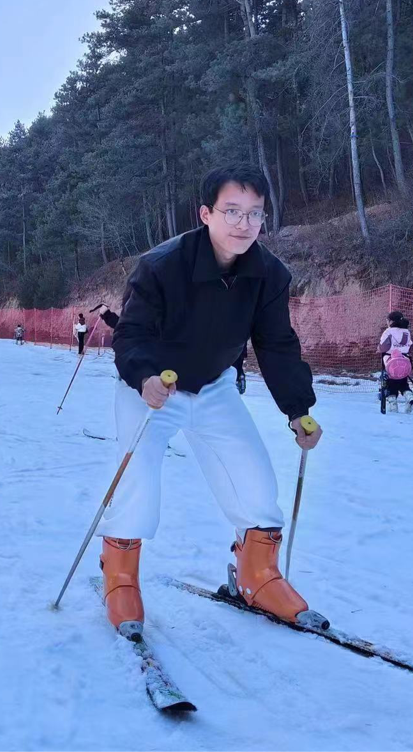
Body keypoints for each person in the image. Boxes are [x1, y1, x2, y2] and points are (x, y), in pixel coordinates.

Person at [103, 163, 323, 640]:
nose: (243, 224)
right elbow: (131, 333)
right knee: (139, 479)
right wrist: (143, 378)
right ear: (206, 213)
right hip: (153, 389)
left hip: (215, 385)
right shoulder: (162, 265)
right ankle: (120, 576)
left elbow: (277, 343)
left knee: (255, 479)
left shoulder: (268, 273)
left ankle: (258, 574)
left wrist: (297, 409)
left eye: (254, 214)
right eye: (231, 211)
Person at [378, 311, 413, 413]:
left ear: (391, 321)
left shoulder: (388, 331)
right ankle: (409, 396)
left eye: (387, 320)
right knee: (403, 383)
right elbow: (410, 346)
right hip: (404, 361)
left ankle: (393, 404)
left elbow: (383, 346)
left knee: (390, 384)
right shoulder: (406, 332)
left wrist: (379, 348)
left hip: (390, 362)